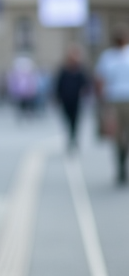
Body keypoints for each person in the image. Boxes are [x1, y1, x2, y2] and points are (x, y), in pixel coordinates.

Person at [95, 28, 129, 184]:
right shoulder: (108, 57)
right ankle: (120, 165)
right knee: (116, 135)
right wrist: (101, 100)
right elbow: (100, 79)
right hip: (114, 99)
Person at [55, 44, 90, 152]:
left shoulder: (80, 70)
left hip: (76, 100)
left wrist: (85, 93)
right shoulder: (64, 70)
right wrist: (57, 97)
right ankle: (71, 137)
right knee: (67, 119)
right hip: (65, 99)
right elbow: (58, 85)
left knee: (75, 120)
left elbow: (86, 84)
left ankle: (73, 138)